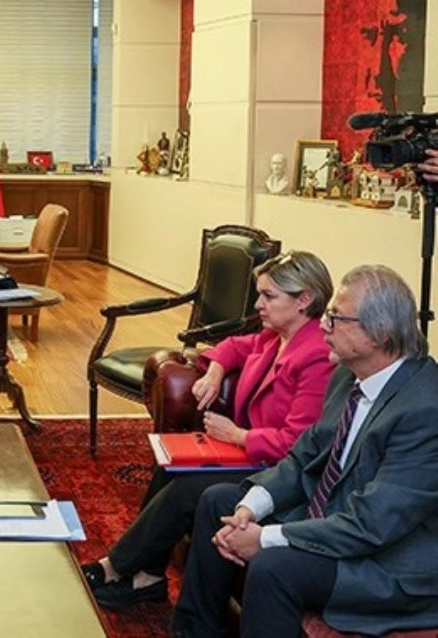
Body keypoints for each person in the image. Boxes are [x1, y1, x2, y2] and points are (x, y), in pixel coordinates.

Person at [172, 265, 438, 637]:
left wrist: (263, 538)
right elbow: (303, 456)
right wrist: (249, 510)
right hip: (334, 515)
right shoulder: (347, 375)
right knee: (220, 502)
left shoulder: (425, 409)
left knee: (274, 567)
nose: (323, 326)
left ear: (380, 334)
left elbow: (371, 524)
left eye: (336, 318)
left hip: (385, 560)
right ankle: (194, 631)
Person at [82, 251, 336, 610]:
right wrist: (215, 371)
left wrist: (239, 436)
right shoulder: (274, 337)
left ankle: (115, 566)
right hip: (252, 455)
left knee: (188, 489)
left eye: (268, 296)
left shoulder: (317, 356)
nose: (258, 305)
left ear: (304, 300)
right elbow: (233, 346)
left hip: (278, 470)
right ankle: (148, 576)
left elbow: (298, 445)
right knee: (171, 465)